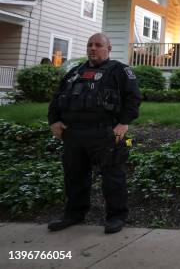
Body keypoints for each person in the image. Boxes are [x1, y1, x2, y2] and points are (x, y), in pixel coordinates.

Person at [47, 33, 141, 234]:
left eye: (98, 45)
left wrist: (124, 124)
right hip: (73, 134)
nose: (93, 48)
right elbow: (57, 97)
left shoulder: (120, 71)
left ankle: (116, 217)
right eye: (90, 45)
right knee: (74, 176)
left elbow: (133, 99)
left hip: (106, 133)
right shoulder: (75, 72)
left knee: (113, 176)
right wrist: (53, 121)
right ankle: (74, 214)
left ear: (108, 48)